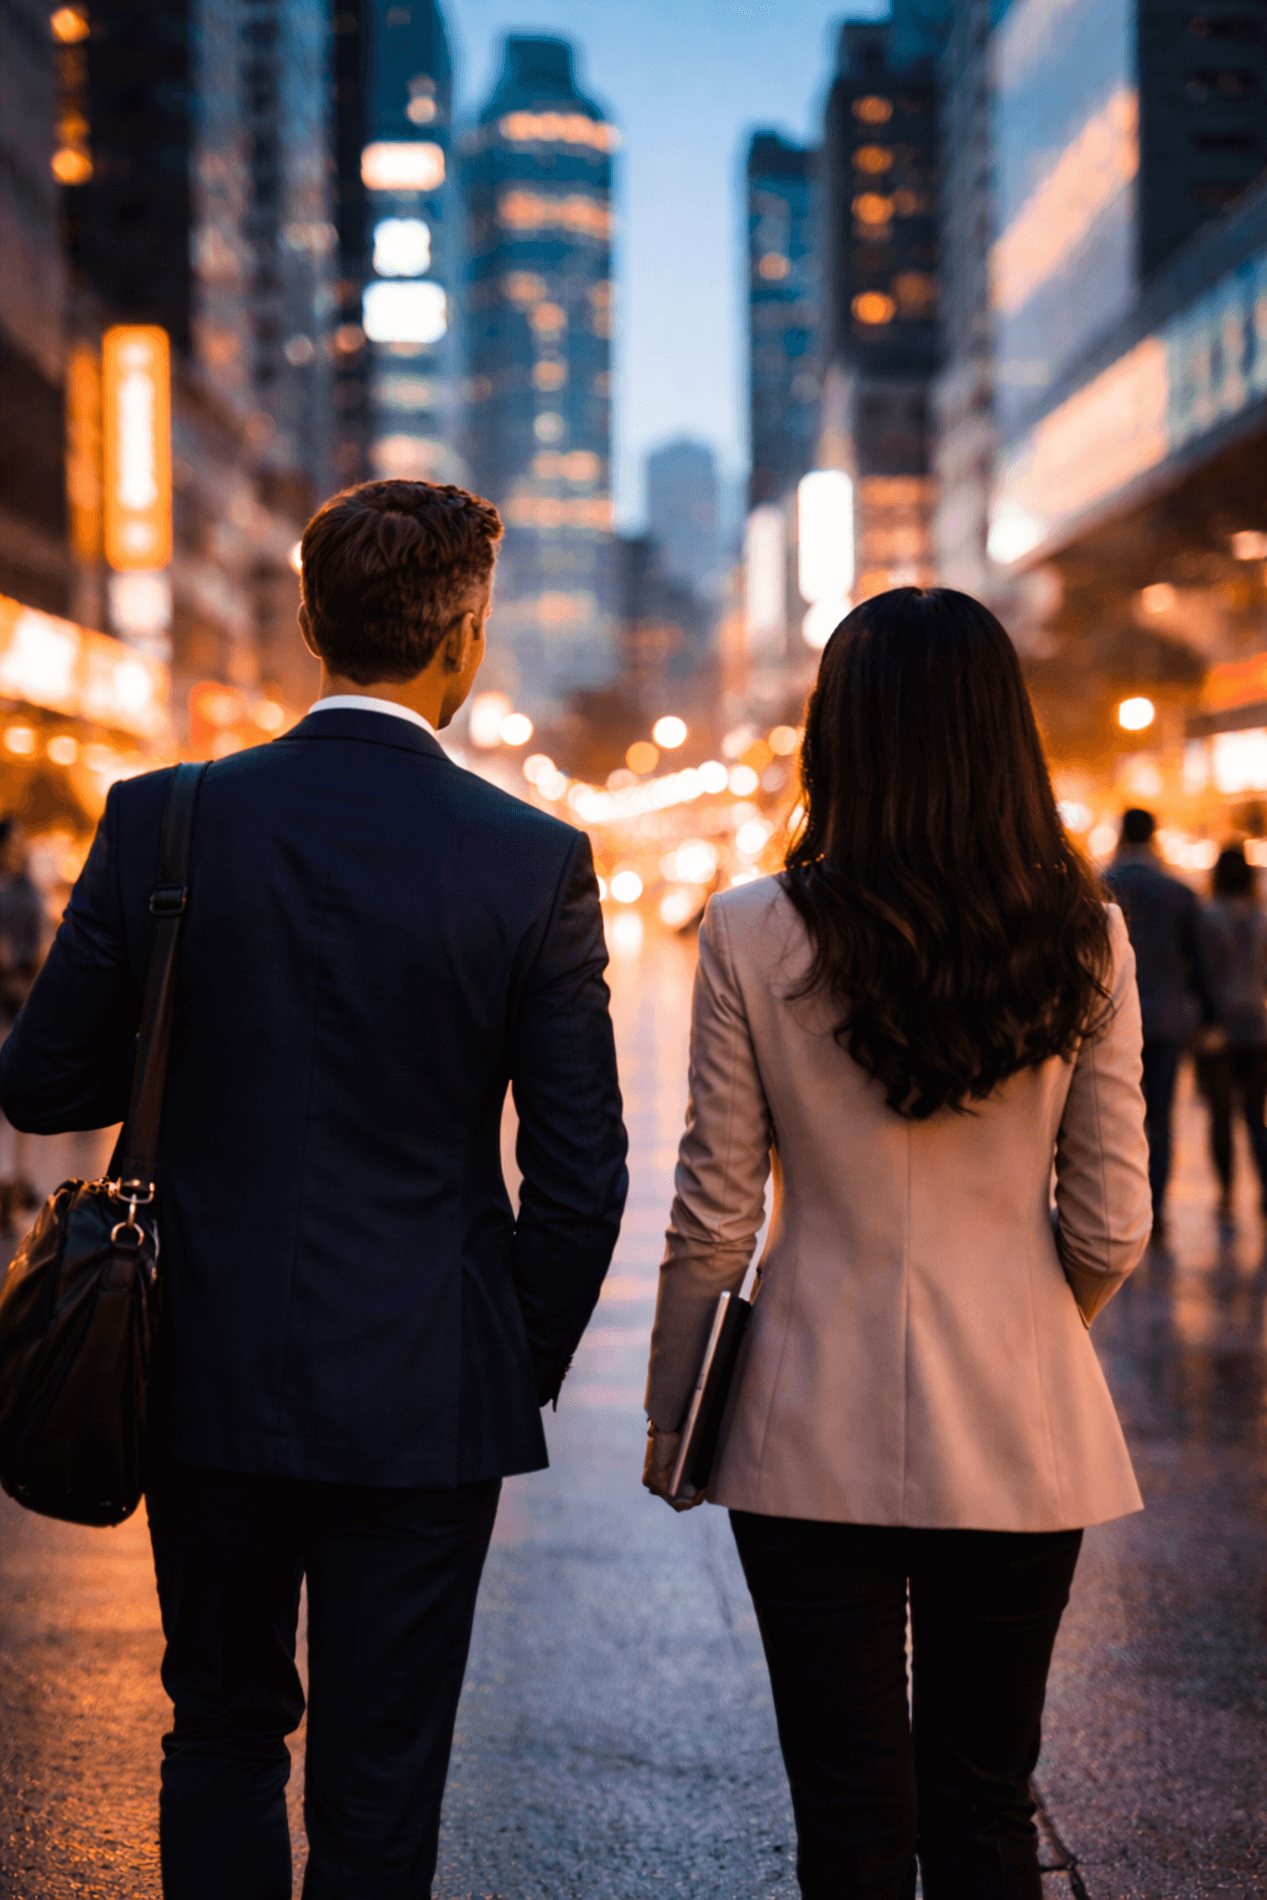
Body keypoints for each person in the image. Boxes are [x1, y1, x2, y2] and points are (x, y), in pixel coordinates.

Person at [0, 480, 629, 1900]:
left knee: (219, 1731)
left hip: (197, 1362)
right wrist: (501, 1358)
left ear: (306, 623)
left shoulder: (165, 821)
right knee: (380, 1782)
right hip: (428, 1387)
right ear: (461, 638)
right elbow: (580, 1173)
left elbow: (40, 1086)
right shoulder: (531, 861)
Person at [642, 587, 1150, 1900]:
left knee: (848, 1819)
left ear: (835, 734)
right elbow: (1109, 1219)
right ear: (1002, 733)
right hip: (1024, 1422)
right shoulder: (1081, 930)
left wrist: (670, 1412)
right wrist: (1028, 1326)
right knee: (983, 1808)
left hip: (803, 1416)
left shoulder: (754, 925)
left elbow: (712, 1210)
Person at [1103, 806, 1214, 1238]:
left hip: (1111, 1017)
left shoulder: (1101, 884)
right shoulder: (1179, 892)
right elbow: (1198, 962)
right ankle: (1158, 1208)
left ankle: (1121, 1212)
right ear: (1154, 836)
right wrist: (1208, 1017)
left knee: (1115, 1116)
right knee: (1162, 1114)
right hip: (1168, 1017)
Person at [1196, 842, 1267, 1220]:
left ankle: (1225, 1193)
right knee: (1257, 1116)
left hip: (1217, 1031)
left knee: (1220, 1116)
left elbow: (1203, 974)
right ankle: (1265, 1190)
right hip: (1257, 1027)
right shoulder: (1261, 919)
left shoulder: (1207, 920)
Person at [0, 817, 43, 1230]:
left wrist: (14, 959)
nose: (17, 847)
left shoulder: (29, 892)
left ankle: (12, 1193)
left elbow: (37, 948)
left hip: (16, 1007)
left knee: (15, 1109)